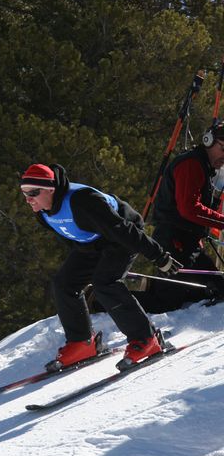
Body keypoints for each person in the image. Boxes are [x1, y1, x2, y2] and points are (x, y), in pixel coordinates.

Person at [19, 163, 182, 371]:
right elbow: (71, 235)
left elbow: (122, 230)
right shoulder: (42, 211)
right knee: (64, 283)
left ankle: (146, 339)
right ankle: (82, 342)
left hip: (121, 234)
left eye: (33, 192)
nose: (28, 199)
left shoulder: (83, 201)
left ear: (51, 189)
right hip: (93, 241)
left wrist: (159, 256)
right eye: (24, 193)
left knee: (104, 282)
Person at [142, 122, 224, 312]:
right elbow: (189, 209)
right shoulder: (191, 164)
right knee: (165, 302)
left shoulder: (202, 165)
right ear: (208, 141)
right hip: (173, 242)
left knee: (215, 288)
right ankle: (100, 301)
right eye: (223, 148)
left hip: (187, 242)